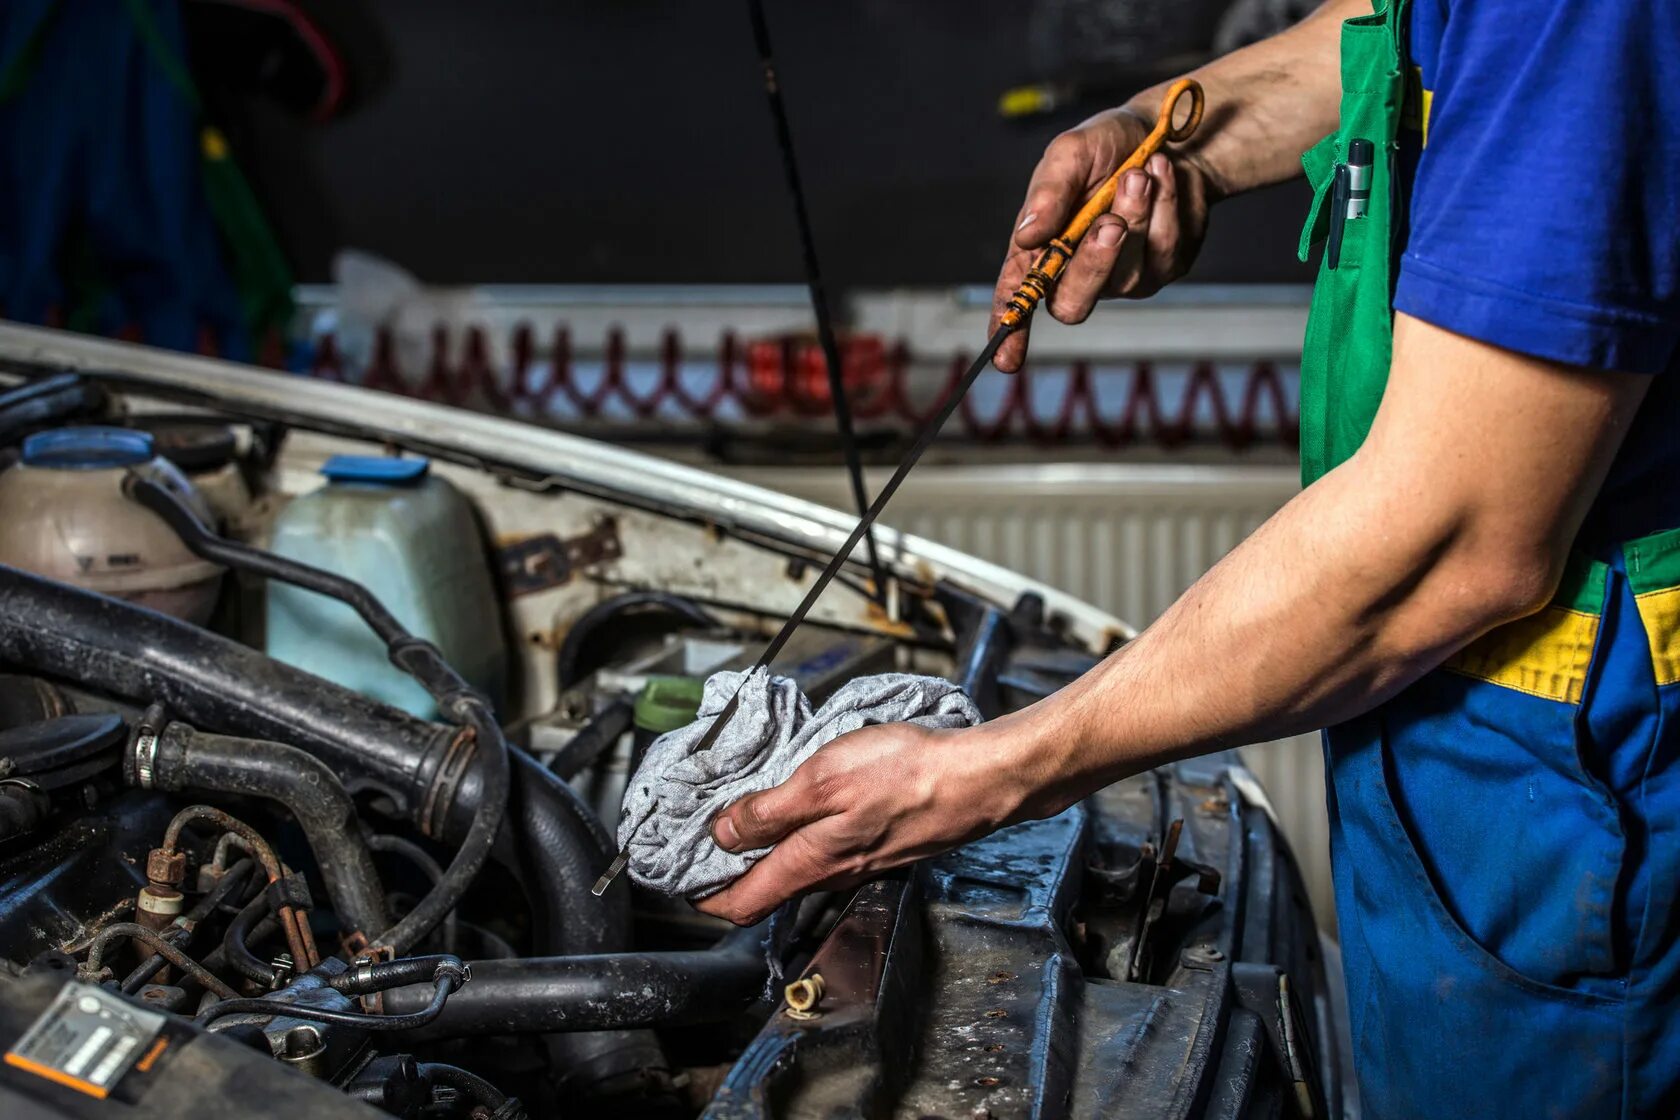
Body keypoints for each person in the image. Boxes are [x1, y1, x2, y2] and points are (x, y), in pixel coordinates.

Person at [698, 1, 1680, 1114]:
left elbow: (1457, 537)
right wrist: (1178, 138)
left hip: (1591, 784)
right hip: (1463, 742)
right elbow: (1408, 26)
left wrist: (986, 772)